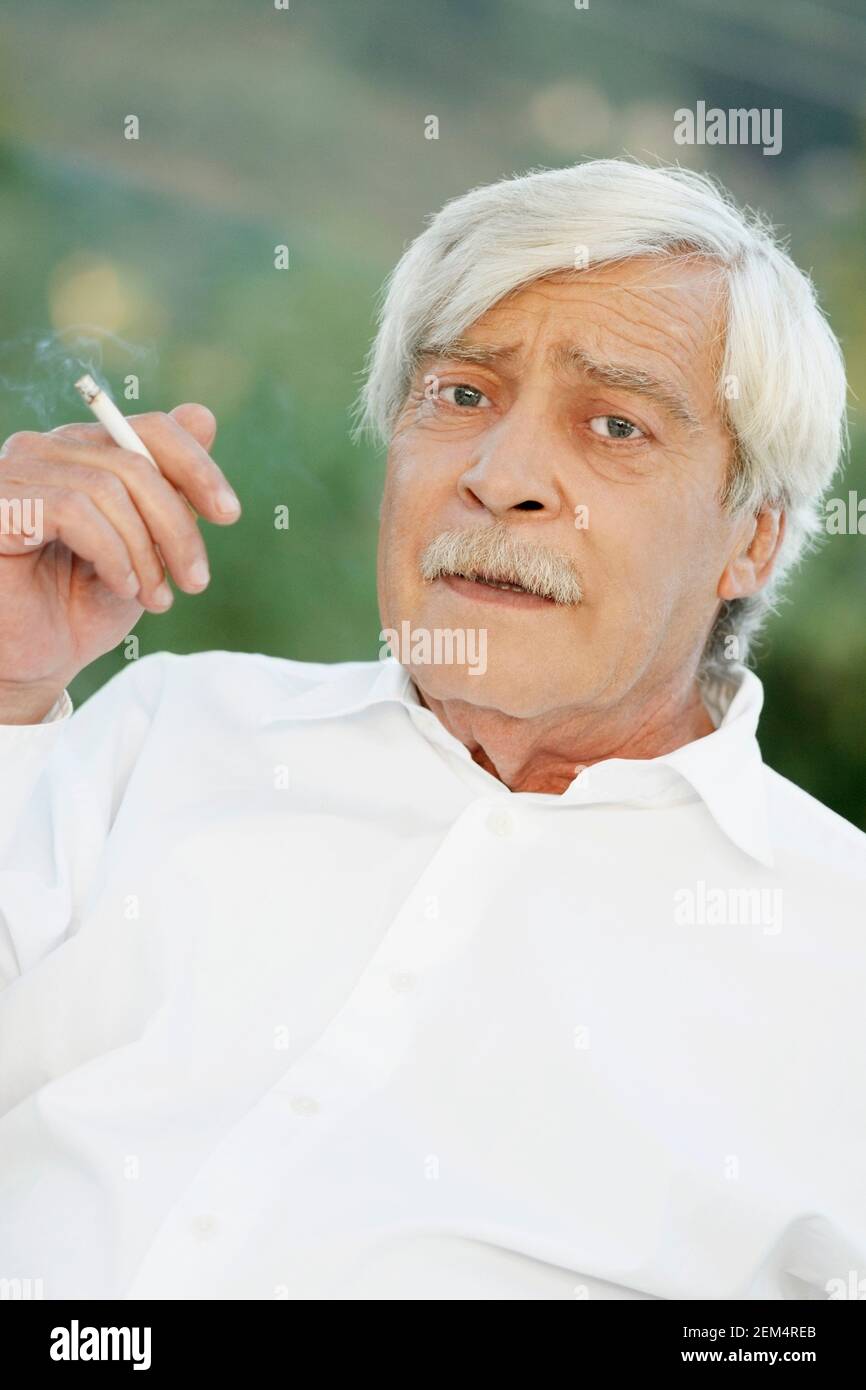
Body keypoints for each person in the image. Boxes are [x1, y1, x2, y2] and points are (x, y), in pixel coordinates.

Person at [0, 160, 863, 1301]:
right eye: (459, 396)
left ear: (750, 539)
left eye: (614, 424)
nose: (500, 476)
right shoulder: (164, 727)